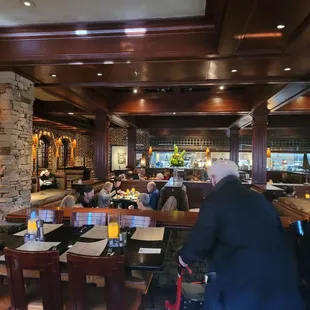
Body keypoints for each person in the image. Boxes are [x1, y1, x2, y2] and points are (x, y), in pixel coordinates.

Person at [179, 160, 305, 310]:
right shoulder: (260, 199)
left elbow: (201, 239)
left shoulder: (215, 200)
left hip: (243, 282)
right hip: (283, 279)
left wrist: (184, 257)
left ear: (213, 178)